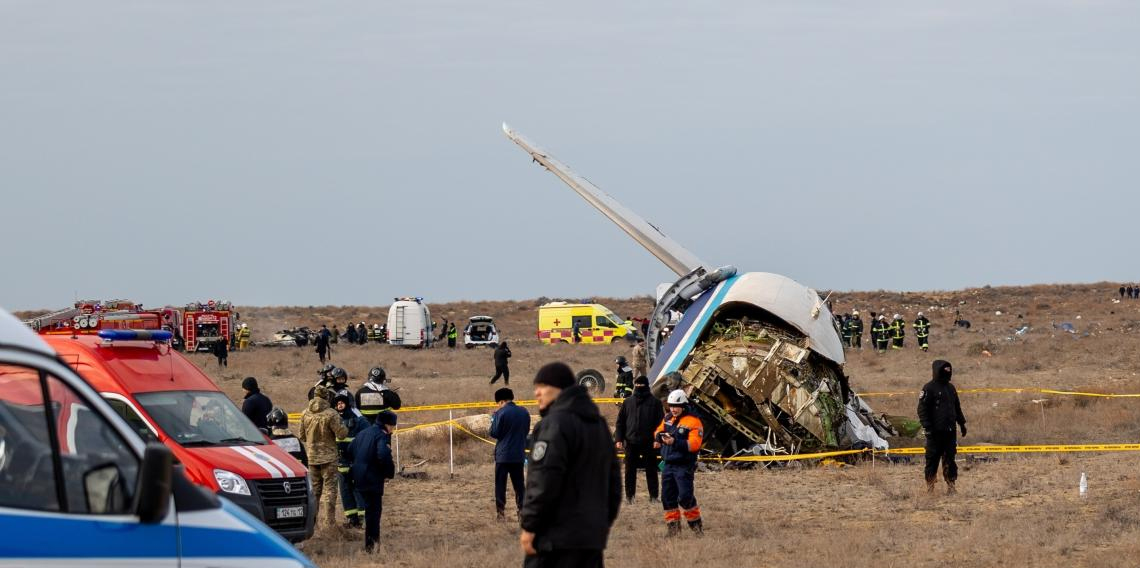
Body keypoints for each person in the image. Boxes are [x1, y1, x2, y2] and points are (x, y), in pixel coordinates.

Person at [519, 362, 621, 567]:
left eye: (542, 386)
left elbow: (544, 480)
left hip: (555, 540)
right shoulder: (598, 425)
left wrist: (530, 526)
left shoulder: (554, 425)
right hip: (590, 541)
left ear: (559, 389)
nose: (536, 393)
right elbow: (614, 483)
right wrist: (601, 525)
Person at [654, 389, 704, 536]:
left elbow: (694, 444)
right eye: (671, 406)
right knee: (667, 498)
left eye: (676, 406)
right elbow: (658, 430)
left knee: (685, 497)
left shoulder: (694, 421)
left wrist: (675, 442)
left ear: (683, 406)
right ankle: (673, 530)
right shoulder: (668, 418)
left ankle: (696, 528)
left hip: (683, 466)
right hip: (668, 465)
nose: (673, 409)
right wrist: (658, 439)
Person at [345, 410, 397, 553]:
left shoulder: (363, 433)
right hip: (371, 478)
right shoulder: (381, 436)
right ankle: (372, 546)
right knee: (374, 513)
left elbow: (349, 450)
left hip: (358, 477)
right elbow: (383, 455)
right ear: (387, 425)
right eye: (392, 426)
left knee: (369, 510)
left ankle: (371, 544)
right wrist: (389, 473)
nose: (393, 429)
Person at [299, 385, 348, 527]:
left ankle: (312, 523)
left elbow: (302, 436)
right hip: (329, 458)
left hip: (312, 458)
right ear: (327, 397)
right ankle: (329, 523)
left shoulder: (305, 414)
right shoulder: (331, 414)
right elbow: (342, 434)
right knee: (330, 490)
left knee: (314, 492)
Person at [917, 359, 967, 494]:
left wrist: (962, 423)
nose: (947, 373)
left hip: (950, 432)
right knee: (932, 461)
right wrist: (927, 427)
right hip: (934, 433)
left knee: (950, 460)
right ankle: (930, 487)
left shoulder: (951, 388)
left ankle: (951, 486)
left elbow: (957, 407)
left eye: (949, 371)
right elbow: (922, 410)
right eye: (944, 371)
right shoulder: (929, 388)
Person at [615, 376, 663, 503]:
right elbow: (620, 423)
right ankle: (630, 496)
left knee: (651, 470)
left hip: (649, 443)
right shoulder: (628, 402)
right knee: (629, 470)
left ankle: (654, 496)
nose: (639, 387)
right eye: (637, 385)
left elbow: (661, 424)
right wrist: (619, 439)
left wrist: (658, 439)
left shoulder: (655, 403)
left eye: (642, 385)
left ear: (647, 386)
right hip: (631, 442)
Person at [490, 387, 531, 521]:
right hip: (518, 454)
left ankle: (501, 513)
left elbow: (494, 433)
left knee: (500, 486)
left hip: (503, 455)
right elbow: (525, 432)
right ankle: (522, 512)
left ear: (501, 401)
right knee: (519, 486)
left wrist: (493, 420)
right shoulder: (524, 412)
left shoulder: (500, 413)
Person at [335, 393, 370, 528]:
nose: (340, 405)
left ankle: (362, 518)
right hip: (341, 463)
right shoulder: (334, 419)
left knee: (358, 489)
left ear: (348, 404)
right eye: (338, 404)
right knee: (345, 491)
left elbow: (368, 435)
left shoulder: (359, 420)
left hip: (356, 462)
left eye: (342, 403)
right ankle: (352, 518)